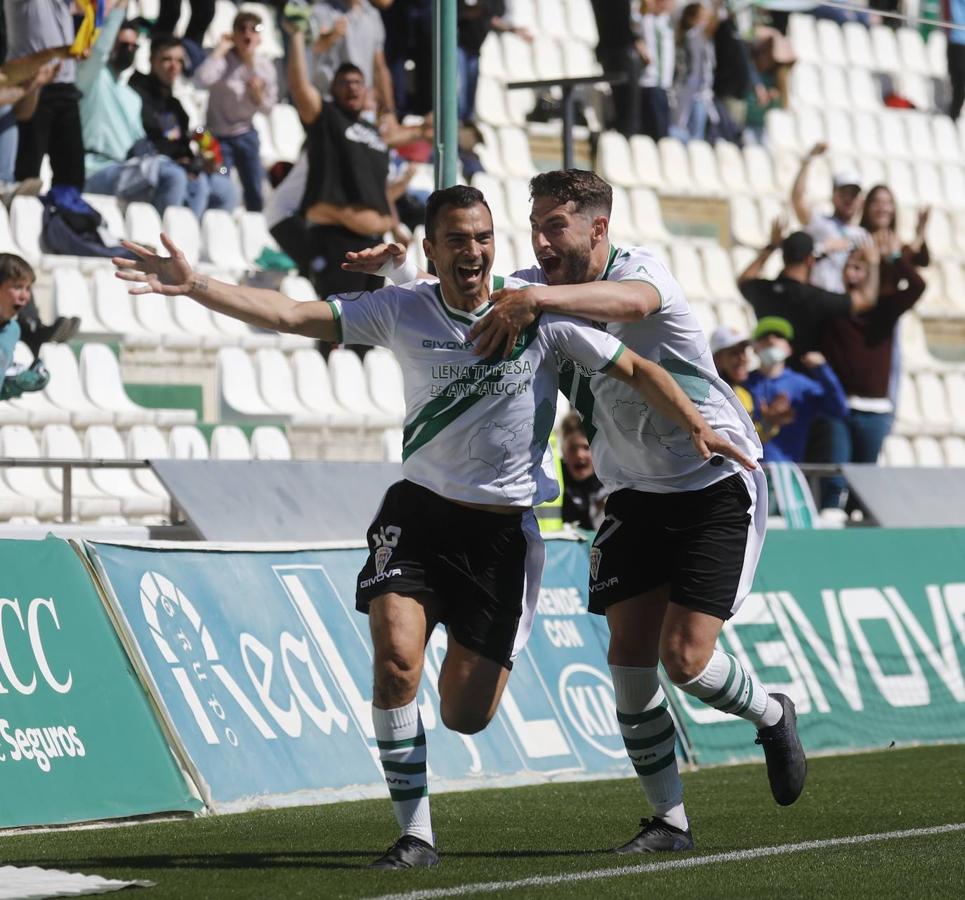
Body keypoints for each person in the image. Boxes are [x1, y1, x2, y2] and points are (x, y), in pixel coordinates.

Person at [113, 183, 755, 870]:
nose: (471, 251)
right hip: (417, 515)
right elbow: (292, 314)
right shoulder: (402, 308)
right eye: (455, 239)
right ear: (432, 249)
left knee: (464, 715)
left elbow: (635, 366)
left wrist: (697, 425)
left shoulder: (533, 313)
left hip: (502, 538)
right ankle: (414, 836)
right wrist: (197, 285)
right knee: (394, 665)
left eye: (481, 238)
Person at [348, 170, 807, 852]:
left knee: (683, 660)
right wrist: (400, 268)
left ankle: (770, 713)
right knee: (628, 663)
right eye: (534, 225)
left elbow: (624, 302)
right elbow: (459, 290)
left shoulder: (639, 274)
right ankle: (668, 821)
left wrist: (532, 296)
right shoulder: (535, 286)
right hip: (629, 493)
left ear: (597, 227)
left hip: (710, 478)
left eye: (553, 225)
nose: (540, 240)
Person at [269, 20, 396, 302]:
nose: (352, 89)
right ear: (333, 88)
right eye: (344, 83)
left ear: (367, 90)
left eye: (357, 83)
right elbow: (299, 87)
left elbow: (380, 186)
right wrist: (298, 37)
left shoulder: (375, 134)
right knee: (338, 322)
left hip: (374, 243)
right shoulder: (326, 117)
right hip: (338, 240)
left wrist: (393, 223)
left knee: (368, 331)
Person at [819, 246, 925, 508]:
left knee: (864, 486)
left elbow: (917, 285)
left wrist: (893, 258)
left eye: (859, 267)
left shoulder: (886, 308)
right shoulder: (832, 307)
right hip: (838, 407)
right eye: (848, 266)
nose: (851, 273)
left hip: (874, 411)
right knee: (833, 478)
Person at [79, 11, 191, 214]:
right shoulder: (93, 78)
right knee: (171, 176)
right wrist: (118, 7)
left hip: (128, 170)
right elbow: (98, 50)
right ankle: (164, 240)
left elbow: (140, 142)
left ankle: (179, 242)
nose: (128, 51)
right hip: (95, 170)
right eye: (123, 45)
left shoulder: (132, 97)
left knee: (214, 187)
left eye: (133, 46)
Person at [738, 220, 880, 367]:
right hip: (804, 378)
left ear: (784, 257)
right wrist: (874, 262)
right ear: (810, 260)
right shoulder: (815, 298)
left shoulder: (764, 291)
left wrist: (771, 247)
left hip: (767, 372)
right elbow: (866, 299)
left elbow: (744, 280)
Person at [129, 35, 239, 221]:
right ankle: (173, 240)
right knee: (195, 183)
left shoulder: (175, 105)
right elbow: (150, 139)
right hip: (155, 165)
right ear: (151, 60)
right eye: (167, 60)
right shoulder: (136, 94)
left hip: (186, 166)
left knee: (226, 186)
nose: (174, 66)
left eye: (179, 61)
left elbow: (184, 140)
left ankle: (202, 242)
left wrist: (203, 161)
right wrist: (185, 163)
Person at [195, 10, 278, 212]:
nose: (248, 33)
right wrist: (220, 49)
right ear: (234, 34)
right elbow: (201, 80)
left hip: (246, 135)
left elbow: (269, 109)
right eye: (242, 29)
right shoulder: (222, 60)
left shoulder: (265, 66)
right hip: (216, 139)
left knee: (254, 190)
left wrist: (257, 96)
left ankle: (254, 231)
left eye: (255, 29)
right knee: (219, 187)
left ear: (260, 37)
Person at [4, 0, 85, 189]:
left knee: (72, 179)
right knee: (26, 176)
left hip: (65, 86)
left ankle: (67, 215)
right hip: (29, 82)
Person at [744, 317, 848, 463]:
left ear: (789, 349)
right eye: (764, 337)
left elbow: (839, 409)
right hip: (747, 469)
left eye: (779, 336)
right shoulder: (742, 383)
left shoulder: (802, 385)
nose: (771, 340)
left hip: (787, 471)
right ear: (754, 348)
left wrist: (822, 369)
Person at [791, 143, 868, 293]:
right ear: (833, 195)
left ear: (861, 200)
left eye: (854, 194)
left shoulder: (864, 236)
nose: (849, 199)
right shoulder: (820, 222)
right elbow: (798, 199)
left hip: (845, 304)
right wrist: (808, 159)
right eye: (844, 193)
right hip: (817, 296)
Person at [710, 323, 792, 446]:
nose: (743, 359)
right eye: (734, 353)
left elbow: (748, 441)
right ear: (717, 359)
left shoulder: (744, 395)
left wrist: (769, 423)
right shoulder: (707, 394)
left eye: (744, 351)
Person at [0, 252, 50, 401]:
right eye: (17, 287)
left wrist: (15, 384)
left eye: (28, 288)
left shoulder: (13, 330)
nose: (24, 296)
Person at [671, 0, 721, 143]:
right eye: (702, 18)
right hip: (691, 93)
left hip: (699, 93)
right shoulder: (693, 36)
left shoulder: (700, 37)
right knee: (689, 133)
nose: (705, 21)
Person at [631, 0, 675, 141]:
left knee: (664, 136)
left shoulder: (665, 22)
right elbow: (639, 17)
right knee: (655, 136)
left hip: (663, 85)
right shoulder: (645, 20)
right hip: (649, 84)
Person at [559, 411, 607, 530]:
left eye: (586, 447)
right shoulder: (556, 481)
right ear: (564, 451)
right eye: (573, 448)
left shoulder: (610, 484)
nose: (579, 455)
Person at [949, 0, 965, 120]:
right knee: (958, 82)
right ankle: (954, 115)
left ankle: (954, 115)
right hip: (956, 40)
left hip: (957, 41)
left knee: (959, 82)